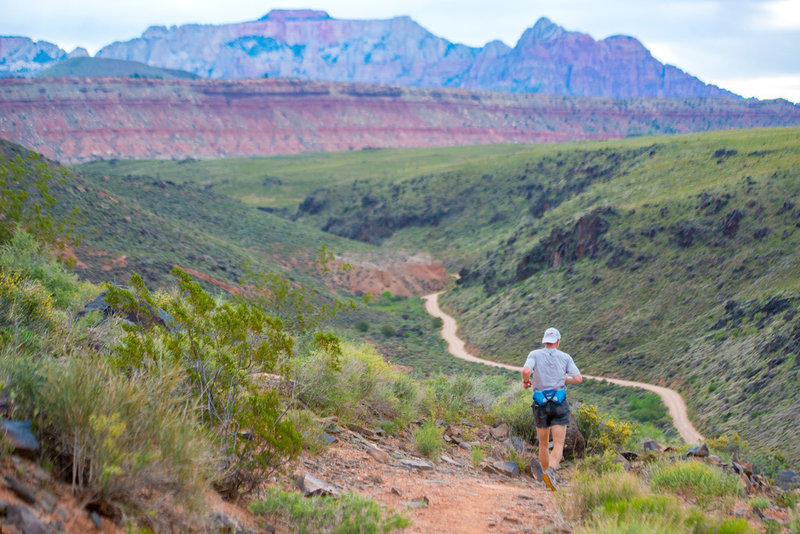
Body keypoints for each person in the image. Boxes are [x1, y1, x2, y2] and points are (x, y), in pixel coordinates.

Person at [522, 327, 582, 491]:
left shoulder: (534, 354)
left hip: (540, 404)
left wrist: (526, 381)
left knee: (543, 444)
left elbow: (526, 370)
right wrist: (566, 379)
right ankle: (550, 472)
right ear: (557, 341)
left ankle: (545, 479)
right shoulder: (565, 357)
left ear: (544, 341)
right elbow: (578, 378)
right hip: (558, 404)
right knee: (558, 444)